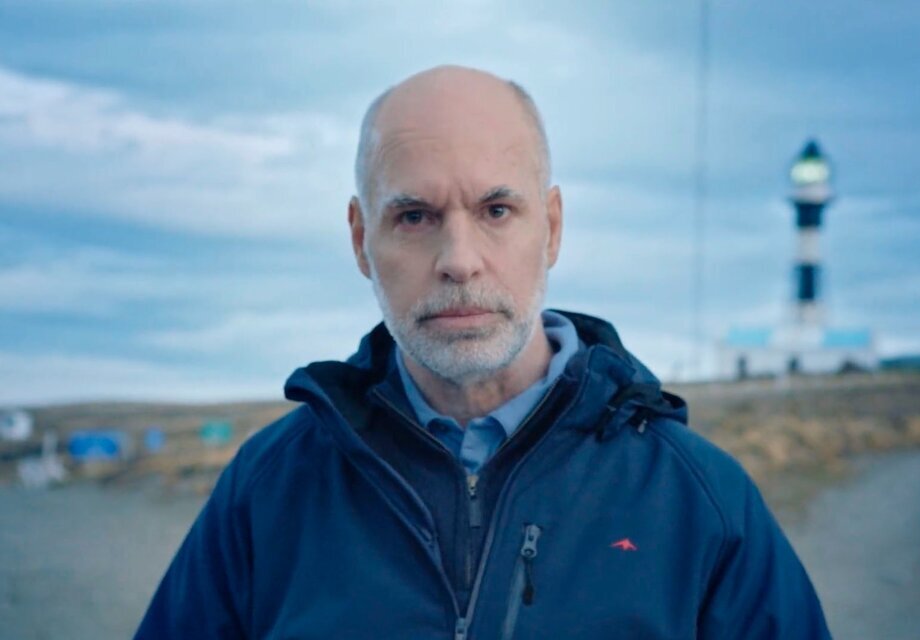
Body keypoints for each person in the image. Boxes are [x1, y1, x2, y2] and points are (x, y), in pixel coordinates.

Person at [135, 66, 830, 639]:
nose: (459, 261)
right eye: (415, 216)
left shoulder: (696, 499)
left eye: (497, 211)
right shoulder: (269, 489)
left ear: (551, 228)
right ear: (360, 240)